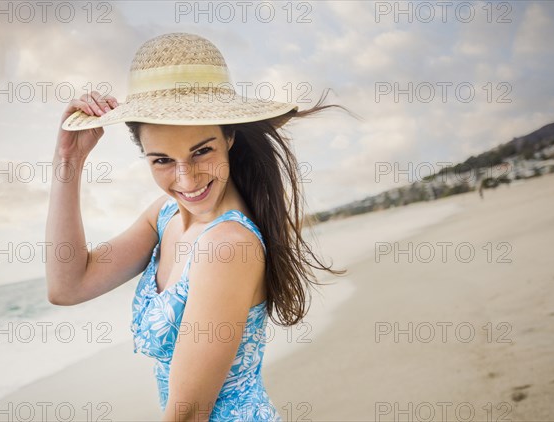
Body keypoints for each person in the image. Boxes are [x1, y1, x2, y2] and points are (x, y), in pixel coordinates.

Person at [46, 32, 346, 421]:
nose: (186, 181)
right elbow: (67, 286)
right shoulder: (166, 215)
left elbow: (187, 414)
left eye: (201, 151)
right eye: (162, 160)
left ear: (230, 135)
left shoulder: (226, 248)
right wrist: (68, 161)